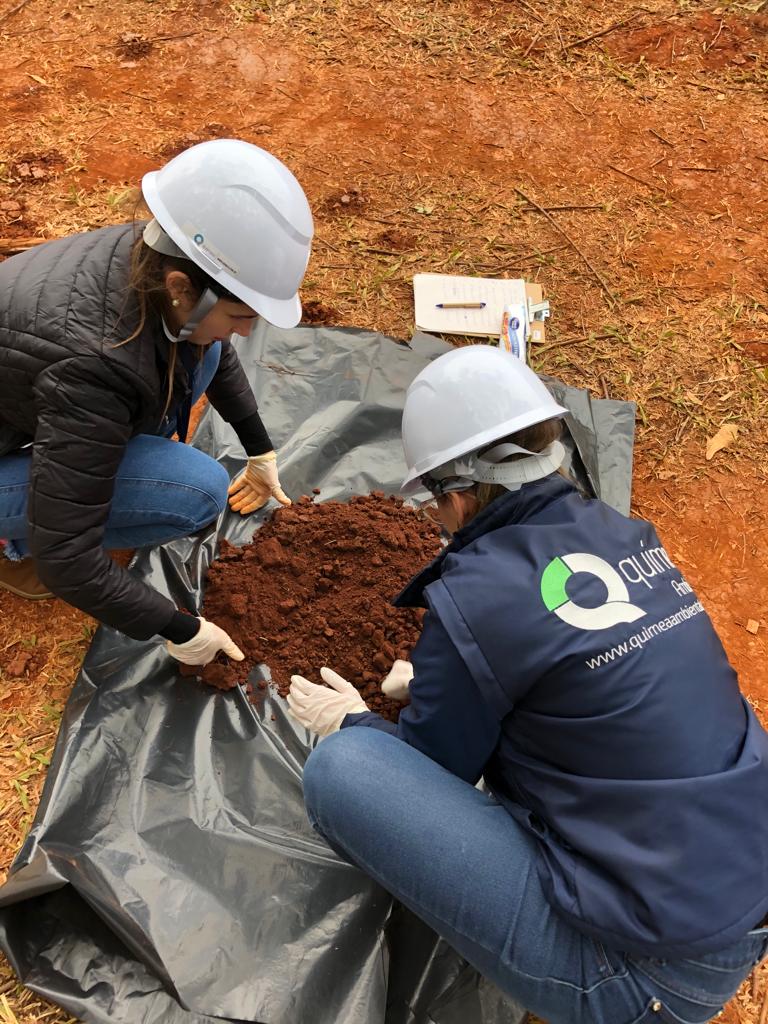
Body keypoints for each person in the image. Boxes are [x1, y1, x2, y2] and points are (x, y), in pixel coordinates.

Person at [288, 345, 768, 1024]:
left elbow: (430, 774)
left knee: (344, 770)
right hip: (742, 885)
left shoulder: (475, 598)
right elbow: (582, 665)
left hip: (645, 973)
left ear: (456, 493)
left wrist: (353, 721)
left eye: (435, 502)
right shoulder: (625, 535)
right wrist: (445, 679)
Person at [0, 138, 313, 666]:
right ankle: (13, 546)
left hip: (34, 396)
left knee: (207, 350)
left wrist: (260, 451)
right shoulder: (94, 364)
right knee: (198, 495)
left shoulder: (160, 252)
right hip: (44, 407)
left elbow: (216, 351)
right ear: (181, 288)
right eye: (240, 315)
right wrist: (180, 628)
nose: (247, 329)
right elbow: (68, 557)